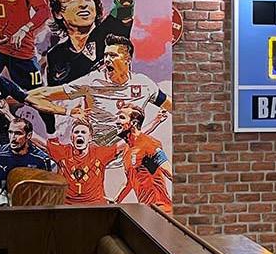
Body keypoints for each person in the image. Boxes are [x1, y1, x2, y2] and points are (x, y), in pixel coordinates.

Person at [29, 36, 170, 146]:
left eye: (112, 55)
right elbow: (45, 95)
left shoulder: (144, 84)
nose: (107, 59)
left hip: (129, 155)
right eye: (105, 55)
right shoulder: (92, 81)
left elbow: (170, 105)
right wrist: (21, 95)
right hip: (99, 156)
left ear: (127, 59)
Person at [34, 120, 122, 205]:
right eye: (76, 132)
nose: (79, 134)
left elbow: (122, 145)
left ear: (90, 138)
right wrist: (28, 131)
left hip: (95, 206)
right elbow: (41, 143)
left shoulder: (99, 153)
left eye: (83, 132)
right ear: (71, 138)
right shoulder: (63, 152)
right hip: (67, 206)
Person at [112, 104, 172, 212]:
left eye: (121, 117)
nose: (116, 122)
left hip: (162, 210)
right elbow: (129, 182)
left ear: (134, 123)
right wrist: (115, 201)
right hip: (146, 211)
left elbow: (169, 173)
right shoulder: (127, 150)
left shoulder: (149, 144)